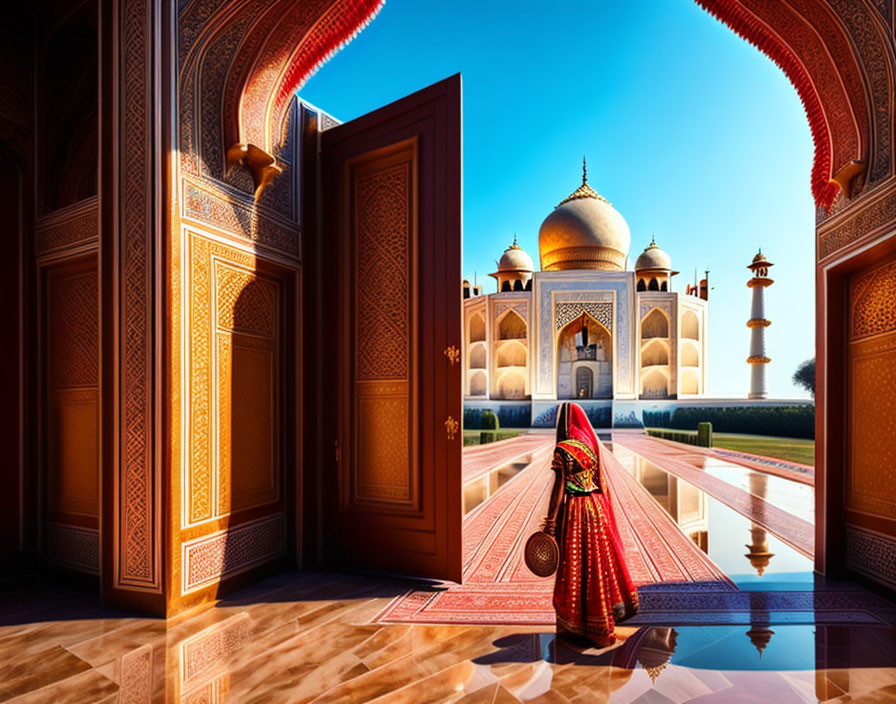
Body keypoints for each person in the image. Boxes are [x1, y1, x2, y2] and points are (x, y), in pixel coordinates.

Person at [542, 402, 639, 647]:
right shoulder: (589, 446)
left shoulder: (564, 448)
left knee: (574, 567)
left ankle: (575, 624)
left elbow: (559, 487)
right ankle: (600, 619)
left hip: (575, 510)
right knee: (597, 565)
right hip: (597, 508)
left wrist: (550, 523)